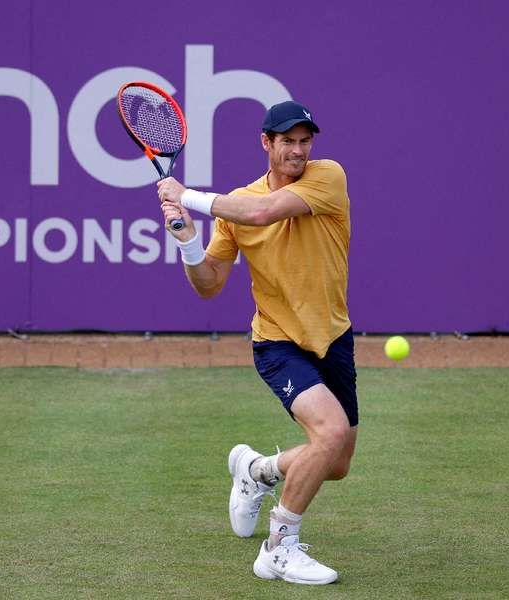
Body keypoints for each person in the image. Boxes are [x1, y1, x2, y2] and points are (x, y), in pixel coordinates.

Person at [157, 100, 357, 586]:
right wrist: (186, 239)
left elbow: (266, 211)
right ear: (266, 144)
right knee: (327, 434)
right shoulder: (234, 210)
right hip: (276, 342)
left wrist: (190, 196)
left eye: (304, 140)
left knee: (337, 463)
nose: (298, 149)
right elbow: (209, 283)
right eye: (287, 141)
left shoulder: (326, 177)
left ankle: (257, 470)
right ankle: (279, 548)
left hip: (332, 336)